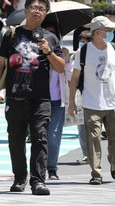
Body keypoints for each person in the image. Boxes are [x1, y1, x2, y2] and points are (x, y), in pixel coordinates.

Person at [0, 0, 65, 195]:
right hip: (16, 96)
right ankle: (20, 178)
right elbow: (0, 62)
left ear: (46, 13)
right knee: (16, 139)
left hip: (41, 98)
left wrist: (49, 52)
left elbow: (60, 67)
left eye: (41, 8)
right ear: (26, 11)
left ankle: (38, 181)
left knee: (40, 138)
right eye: (33, 7)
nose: (37, 11)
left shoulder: (50, 38)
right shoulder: (12, 34)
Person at [68, 16, 115, 185]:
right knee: (93, 139)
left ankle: (114, 162)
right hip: (91, 102)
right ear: (98, 32)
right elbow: (75, 77)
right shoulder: (83, 52)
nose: (111, 33)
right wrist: (71, 101)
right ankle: (96, 173)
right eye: (108, 30)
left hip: (114, 102)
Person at [43, 25, 69, 181]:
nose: (49, 36)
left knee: (53, 136)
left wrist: (67, 60)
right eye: (46, 32)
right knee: (38, 136)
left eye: (52, 33)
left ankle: (52, 168)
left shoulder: (61, 54)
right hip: (37, 100)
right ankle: (37, 168)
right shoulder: (34, 53)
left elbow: (70, 74)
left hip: (57, 101)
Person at [72, 30, 93, 164]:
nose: (82, 45)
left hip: (94, 95)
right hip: (80, 94)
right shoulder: (76, 56)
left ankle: (94, 153)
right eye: (81, 42)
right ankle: (86, 153)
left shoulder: (95, 55)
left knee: (93, 127)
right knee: (81, 125)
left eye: (85, 42)